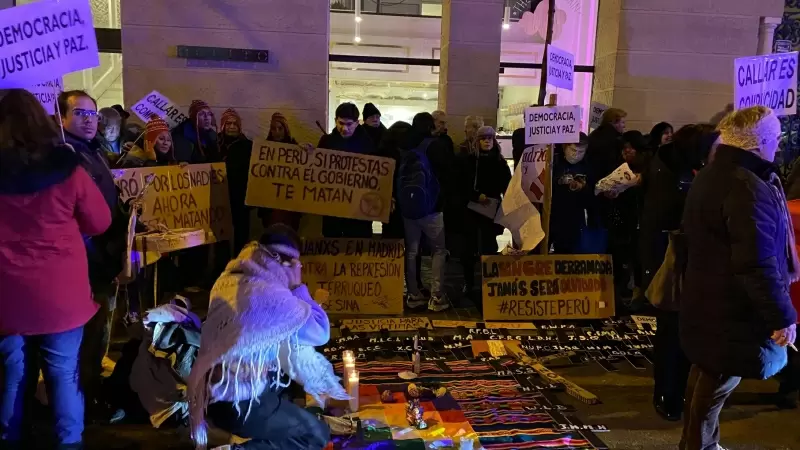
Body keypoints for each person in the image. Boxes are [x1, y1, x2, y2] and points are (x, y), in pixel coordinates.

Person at [0, 89, 112, 450]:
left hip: (6, 296)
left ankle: (10, 437)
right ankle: (69, 443)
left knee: (12, 374)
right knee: (63, 374)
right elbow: (99, 221)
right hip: (60, 295)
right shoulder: (66, 167)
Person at [680, 106, 798, 450]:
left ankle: (700, 443)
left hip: (712, 297)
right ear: (759, 142)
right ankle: (699, 446)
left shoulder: (715, 174)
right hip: (731, 306)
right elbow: (756, 261)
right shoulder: (746, 186)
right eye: (775, 137)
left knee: (708, 374)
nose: (778, 144)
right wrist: (782, 316)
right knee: (716, 380)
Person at [187, 225, 347, 450]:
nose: (300, 269)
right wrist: (299, 287)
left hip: (213, 395)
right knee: (315, 435)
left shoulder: (230, 279)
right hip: (238, 399)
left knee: (291, 382)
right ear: (286, 263)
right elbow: (319, 332)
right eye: (298, 264)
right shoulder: (267, 293)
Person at [639, 124, 718, 422]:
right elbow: (665, 219)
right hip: (672, 265)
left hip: (683, 264)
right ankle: (668, 394)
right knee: (672, 333)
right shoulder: (672, 175)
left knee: (683, 332)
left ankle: (677, 391)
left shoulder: (682, 167)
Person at [59, 90, 126, 419]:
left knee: (99, 333)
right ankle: (83, 401)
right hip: (87, 262)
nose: (89, 120)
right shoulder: (66, 155)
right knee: (87, 335)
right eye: (80, 113)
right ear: (62, 117)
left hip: (101, 257)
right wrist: (99, 257)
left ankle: (87, 391)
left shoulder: (92, 151)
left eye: (92, 113)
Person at [396, 113, 451, 312]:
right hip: (431, 208)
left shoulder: (404, 146)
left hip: (408, 209)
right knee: (438, 250)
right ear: (430, 127)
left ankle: (413, 294)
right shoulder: (434, 145)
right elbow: (447, 174)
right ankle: (436, 296)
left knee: (411, 251)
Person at [456, 126, 511, 308]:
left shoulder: (500, 162)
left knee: (489, 246)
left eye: (490, 138)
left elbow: (507, 187)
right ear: (477, 141)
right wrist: (475, 196)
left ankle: (489, 282)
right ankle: (469, 282)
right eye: (484, 138)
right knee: (468, 248)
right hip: (471, 210)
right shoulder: (469, 161)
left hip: (491, 211)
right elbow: (461, 185)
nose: (487, 141)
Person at [317, 103, 375, 238]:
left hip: (358, 211)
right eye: (341, 123)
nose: (344, 128)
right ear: (335, 121)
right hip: (332, 208)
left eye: (349, 124)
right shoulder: (327, 141)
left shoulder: (368, 143)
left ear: (357, 123)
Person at [219, 108, 256, 254]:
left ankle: (240, 265)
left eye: (235, 124)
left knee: (241, 234)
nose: (232, 126)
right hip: (220, 198)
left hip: (241, 197)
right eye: (228, 123)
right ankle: (221, 267)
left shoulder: (247, 145)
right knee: (221, 235)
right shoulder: (215, 144)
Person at [550, 133, 591, 254]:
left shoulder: (587, 166)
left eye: (580, 152)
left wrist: (582, 187)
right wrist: (559, 181)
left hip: (574, 217)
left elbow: (593, 194)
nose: (575, 155)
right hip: (552, 213)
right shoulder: (554, 162)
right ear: (565, 147)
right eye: (573, 150)